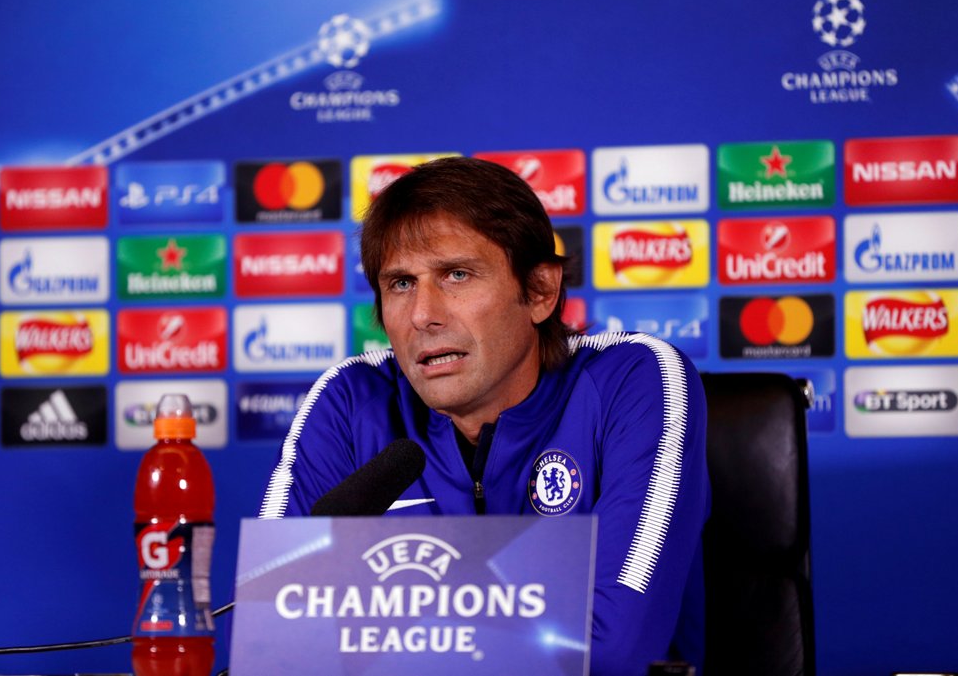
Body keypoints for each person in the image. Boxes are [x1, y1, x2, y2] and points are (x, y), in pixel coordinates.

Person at [260, 156, 709, 675]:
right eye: (401, 283)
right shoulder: (350, 401)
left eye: (457, 275)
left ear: (540, 291)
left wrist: (376, 632)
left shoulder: (632, 379)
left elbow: (611, 649)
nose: (423, 314)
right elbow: (270, 635)